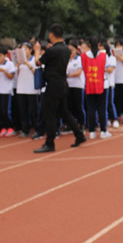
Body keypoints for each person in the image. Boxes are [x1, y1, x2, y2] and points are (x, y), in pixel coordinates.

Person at [33, 24, 87, 153]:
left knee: (49, 114)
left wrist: (37, 51)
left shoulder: (52, 51)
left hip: (53, 84)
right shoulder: (66, 49)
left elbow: (38, 62)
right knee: (64, 112)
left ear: (52, 35)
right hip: (63, 83)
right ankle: (79, 134)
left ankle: (50, 143)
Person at [0, 46, 17, 137]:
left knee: (5, 110)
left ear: (5, 55)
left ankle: (10, 127)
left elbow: (11, 76)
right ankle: (4, 127)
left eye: (0, 55)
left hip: (6, 90)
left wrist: (3, 71)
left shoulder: (9, 64)